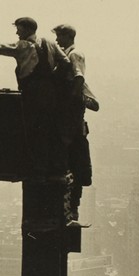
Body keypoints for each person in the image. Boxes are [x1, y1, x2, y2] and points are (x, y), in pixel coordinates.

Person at [0, 17, 73, 177]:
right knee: (47, 128)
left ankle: (37, 167)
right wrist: (51, 78)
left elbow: (0, 47)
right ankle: (51, 166)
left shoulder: (23, 46)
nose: (17, 32)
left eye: (19, 29)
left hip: (33, 92)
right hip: (49, 93)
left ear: (28, 29)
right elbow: (65, 62)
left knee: (32, 128)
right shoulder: (49, 42)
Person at [52, 24, 99, 221]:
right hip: (70, 122)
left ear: (68, 36)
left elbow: (79, 78)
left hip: (72, 124)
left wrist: (71, 100)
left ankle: (72, 208)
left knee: (74, 164)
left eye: (59, 36)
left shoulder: (74, 55)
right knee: (71, 164)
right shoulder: (66, 55)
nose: (57, 40)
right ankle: (70, 208)